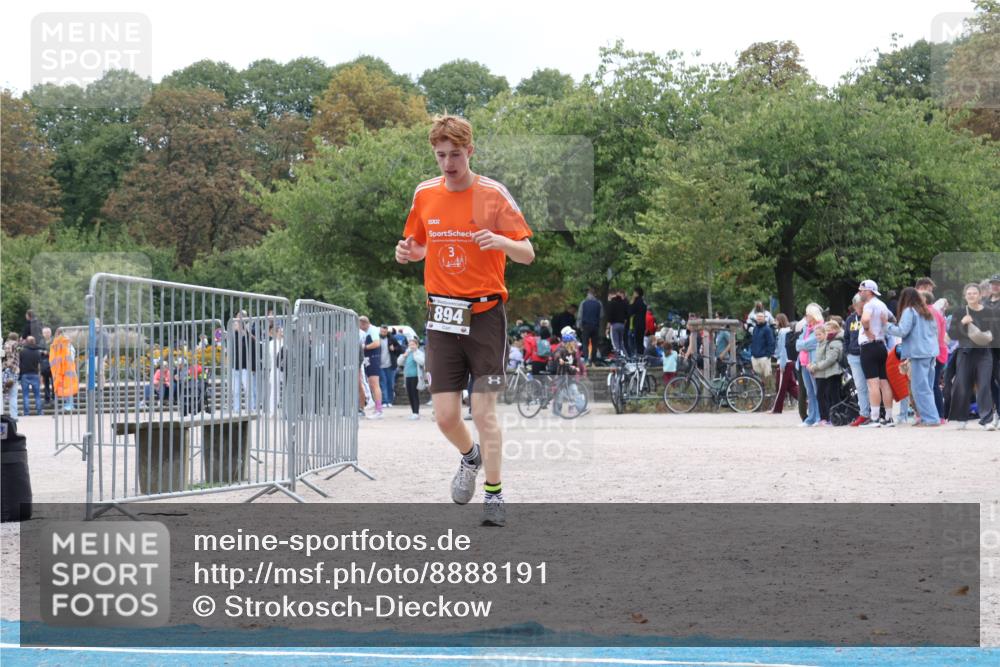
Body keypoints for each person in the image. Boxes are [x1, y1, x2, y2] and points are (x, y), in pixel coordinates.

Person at [395, 114, 534, 527]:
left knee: (484, 412)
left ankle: (494, 494)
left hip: (486, 315)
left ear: (470, 151)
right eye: (441, 155)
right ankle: (469, 456)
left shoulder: (491, 194)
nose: (448, 162)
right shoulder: (425, 194)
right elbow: (420, 245)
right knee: (445, 417)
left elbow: (527, 253)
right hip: (442, 316)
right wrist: (408, 252)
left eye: (456, 154)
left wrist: (502, 241)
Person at [886, 287, 941, 426]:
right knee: (927, 387)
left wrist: (886, 326)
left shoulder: (909, 311)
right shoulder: (928, 311)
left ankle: (930, 419)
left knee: (919, 388)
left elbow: (903, 331)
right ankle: (928, 417)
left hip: (918, 353)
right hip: (931, 352)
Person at [948, 283, 996, 430]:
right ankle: (961, 418)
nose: (971, 295)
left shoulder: (988, 311)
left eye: (974, 293)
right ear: (965, 296)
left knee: (984, 386)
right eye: (968, 293)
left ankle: (986, 420)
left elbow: (994, 334)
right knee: (962, 385)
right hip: (965, 353)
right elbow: (952, 335)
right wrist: (962, 323)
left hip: (984, 353)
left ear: (980, 295)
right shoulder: (960, 312)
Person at [856, 280, 895, 428]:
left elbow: (865, 319)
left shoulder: (869, 305)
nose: (860, 293)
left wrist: (867, 331)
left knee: (873, 384)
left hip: (869, 345)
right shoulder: (882, 304)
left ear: (869, 291)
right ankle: (889, 418)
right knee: (884, 383)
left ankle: (875, 418)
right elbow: (891, 319)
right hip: (881, 344)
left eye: (862, 290)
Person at [807, 319, 844, 426]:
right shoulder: (825, 342)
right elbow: (818, 357)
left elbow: (830, 359)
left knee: (833, 395)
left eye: (828, 330)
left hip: (832, 372)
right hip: (825, 372)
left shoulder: (833, 342)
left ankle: (835, 417)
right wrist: (812, 364)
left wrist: (815, 366)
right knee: (825, 395)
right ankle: (829, 417)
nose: (827, 333)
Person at [795, 304, 824, 426]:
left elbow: (809, 343)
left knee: (817, 391)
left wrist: (802, 344)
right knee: (809, 392)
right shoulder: (806, 328)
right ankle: (810, 418)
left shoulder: (820, 327)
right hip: (803, 363)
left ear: (813, 316)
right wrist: (803, 344)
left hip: (813, 363)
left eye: (808, 315)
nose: (806, 317)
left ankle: (819, 417)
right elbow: (798, 345)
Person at [843, 295, 870, 426]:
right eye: (858, 306)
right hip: (853, 356)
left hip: (867, 353)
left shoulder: (869, 317)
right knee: (860, 385)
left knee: (872, 384)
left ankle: (876, 412)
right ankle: (864, 413)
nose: (860, 309)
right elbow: (846, 337)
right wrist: (847, 353)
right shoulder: (850, 320)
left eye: (862, 306)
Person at [771, 313, 799, 413]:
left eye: (776, 320)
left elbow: (783, 349)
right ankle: (804, 400)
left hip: (785, 361)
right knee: (791, 386)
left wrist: (782, 364)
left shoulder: (782, 332)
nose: (775, 322)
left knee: (780, 386)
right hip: (789, 361)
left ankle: (777, 408)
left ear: (780, 321)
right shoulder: (787, 331)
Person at [359, 316, 384, 419]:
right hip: (369, 359)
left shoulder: (372, 330)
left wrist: (364, 347)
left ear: (364, 323)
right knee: (371, 384)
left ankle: (379, 409)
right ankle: (376, 409)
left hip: (373, 358)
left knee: (374, 384)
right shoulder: (367, 331)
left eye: (359, 325)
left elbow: (377, 343)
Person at [49, 328, 79, 411]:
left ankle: (69, 405)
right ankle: (69, 404)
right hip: (65, 369)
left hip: (65, 369)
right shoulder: (64, 345)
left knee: (67, 387)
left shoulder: (63, 345)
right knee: (66, 388)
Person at [398, 338, 426, 420]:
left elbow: (422, 362)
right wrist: (404, 355)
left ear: (417, 345)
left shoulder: (419, 353)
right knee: (410, 395)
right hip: (407, 377)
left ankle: (416, 413)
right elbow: (399, 363)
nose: (411, 346)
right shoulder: (407, 353)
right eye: (409, 345)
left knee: (414, 394)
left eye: (413, 344)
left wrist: (414, 354)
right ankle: (413, 412)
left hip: (415, 377)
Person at [18, 336, 44, 417]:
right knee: (37, 395)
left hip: (25, 375)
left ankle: (26, 413)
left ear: (27, 342)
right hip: (35, 374)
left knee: (25, 395)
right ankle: (39, 413)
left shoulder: (22, 352)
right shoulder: (38, 352)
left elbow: (19, 363)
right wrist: (40, 376)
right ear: (34, 342)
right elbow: (39, 365)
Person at [749, 311, 775, 388]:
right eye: (758, 317)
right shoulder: (755, 329)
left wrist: (768, 355)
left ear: (764, 318)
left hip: (764, 357)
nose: (759, 318)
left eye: (761, 317)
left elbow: (771, 342)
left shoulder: (767, 329)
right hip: (755, 357)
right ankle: (760, 394)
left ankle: (768, 394)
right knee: (757, 378)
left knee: (767, 377)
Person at [577, 289, 603, 365]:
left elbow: (580, 315)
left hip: (586, 326)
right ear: (594, 294)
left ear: (588, 294)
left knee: (585, 343)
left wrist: (579, 326)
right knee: (594, 344)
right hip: (595, 326)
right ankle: (593, 360)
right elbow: (601, 315)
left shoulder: (583, 303)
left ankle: (586, 360)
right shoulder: (599, 303)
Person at [606, 288, 628, 356]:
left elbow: (610, 316)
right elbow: (626, 315)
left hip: (614, 325)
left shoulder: (611, 303)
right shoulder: (623, 303)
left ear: (610, 295)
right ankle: (626, 357)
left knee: (615, 344)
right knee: (621, 343)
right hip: (622, 325)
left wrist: (607, 328)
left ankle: (618, 359)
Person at [627, 287, 647, 357]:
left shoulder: (635, 302)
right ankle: (642, 355)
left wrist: (631, 302)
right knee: (640, 342)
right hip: (643, 324)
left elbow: (630, 312)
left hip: (636, 324)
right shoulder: (644, 302)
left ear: (636, 293)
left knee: (636, 342)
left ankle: (637, 356)